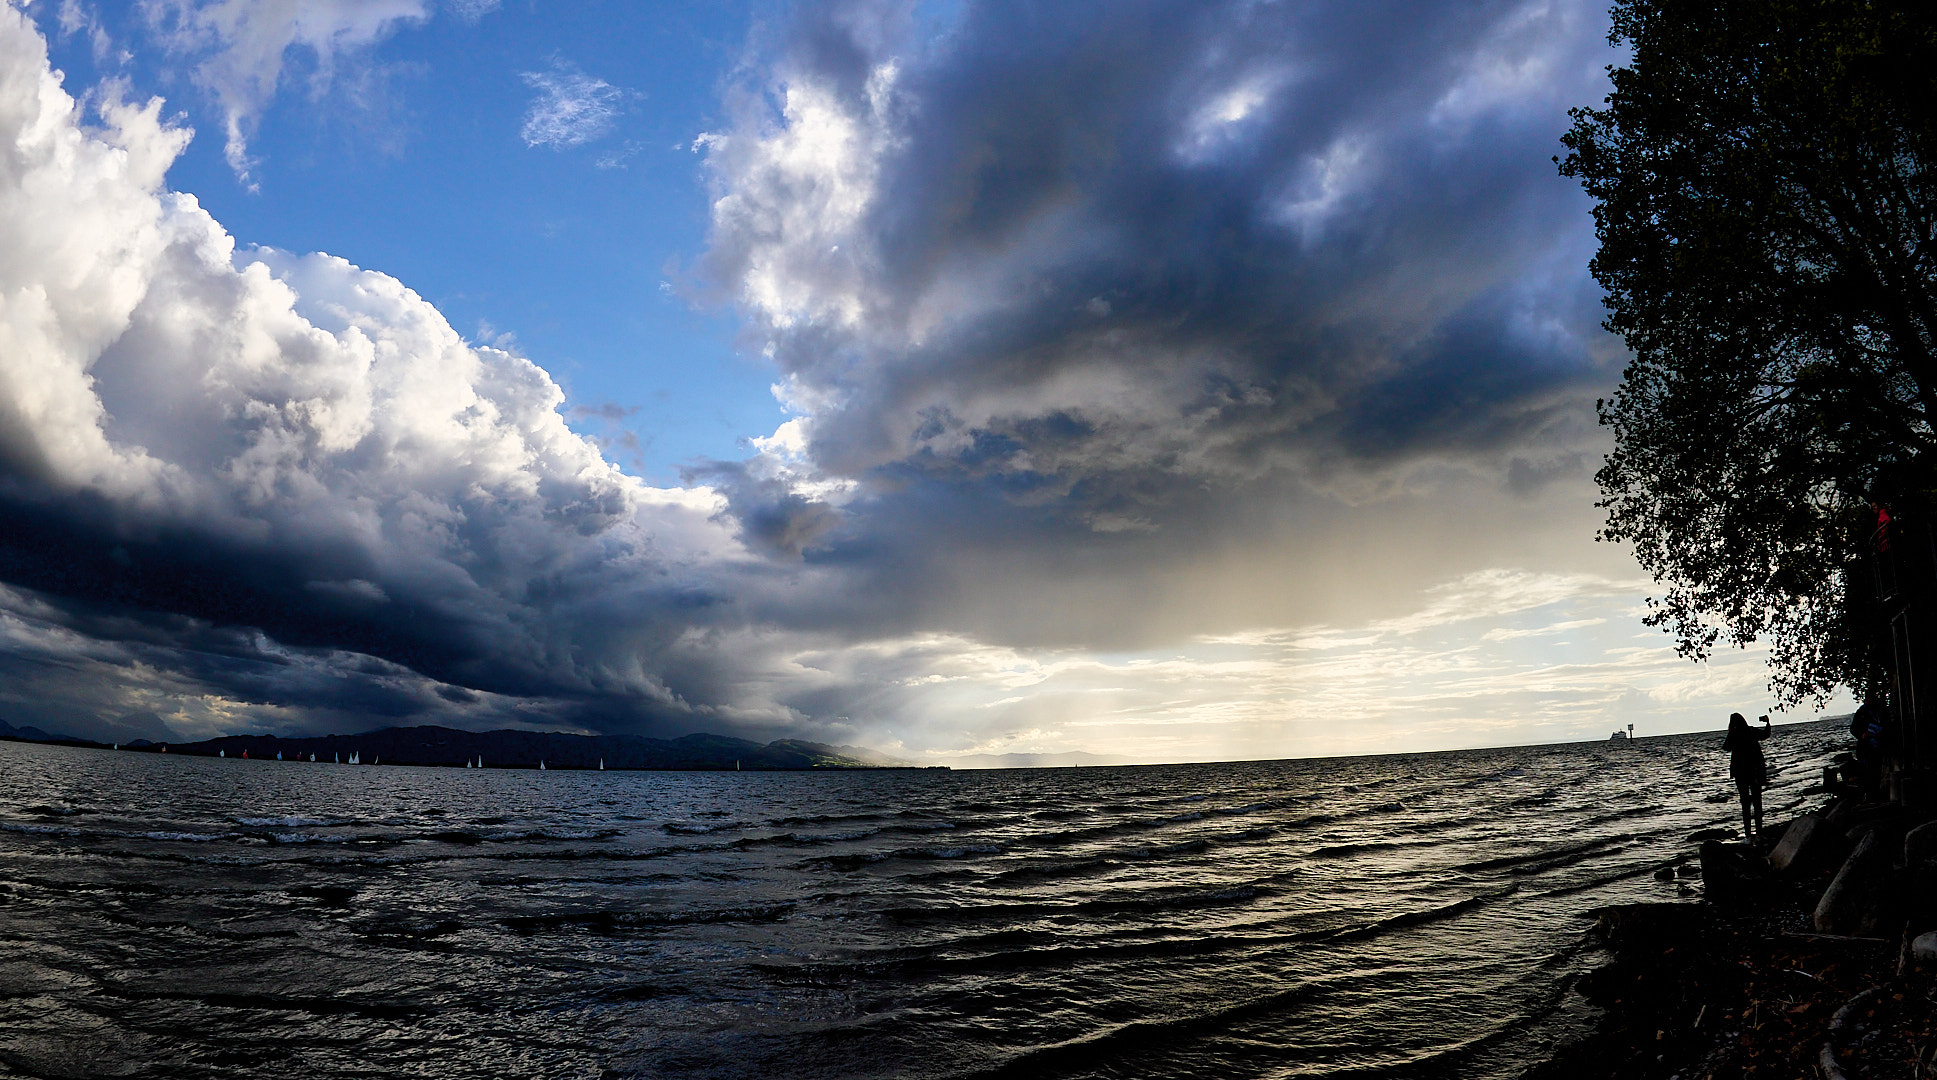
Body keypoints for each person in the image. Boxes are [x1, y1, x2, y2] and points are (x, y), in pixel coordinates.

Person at [1723, 712, 1771, 838]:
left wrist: (1731, 731)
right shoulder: (1751, 731)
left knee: (1745, 804)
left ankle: (1748, 834)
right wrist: (1767, 723)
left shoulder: (1733, 735)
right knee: (1757, 802)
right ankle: (1759, 832)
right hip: (1755, 771)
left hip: (1741, 774)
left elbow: (1726, 747)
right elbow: (1766, 734)